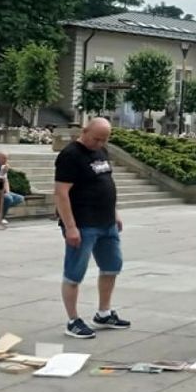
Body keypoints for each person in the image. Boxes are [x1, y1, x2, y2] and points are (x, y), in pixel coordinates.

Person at [54, 118, 130, 339]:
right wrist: (70, 227)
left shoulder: (101, 151)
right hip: (83, 223)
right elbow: (61, 193)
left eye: (104, 139)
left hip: (106, 222)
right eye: (96, 138)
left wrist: (114, 213)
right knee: (74, 272)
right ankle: (73, 320)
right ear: (84, 131)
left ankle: (104, 313)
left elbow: (105, 182)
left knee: (112, 266)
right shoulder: (70, 155)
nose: (99, 143)